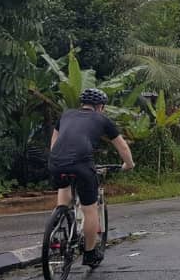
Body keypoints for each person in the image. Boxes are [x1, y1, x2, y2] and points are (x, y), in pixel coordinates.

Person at [49, 87, 135, 267]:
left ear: (82, 104)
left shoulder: (66, 115)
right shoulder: (102, 119)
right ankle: (89, 253)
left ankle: (59, 218)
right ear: (100, 106)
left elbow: (54, 141)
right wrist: (128, 164)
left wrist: (58, 160)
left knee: (64, 187)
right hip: (81, 163)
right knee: (90, 209)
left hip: (56, 161)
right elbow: (123, 147)